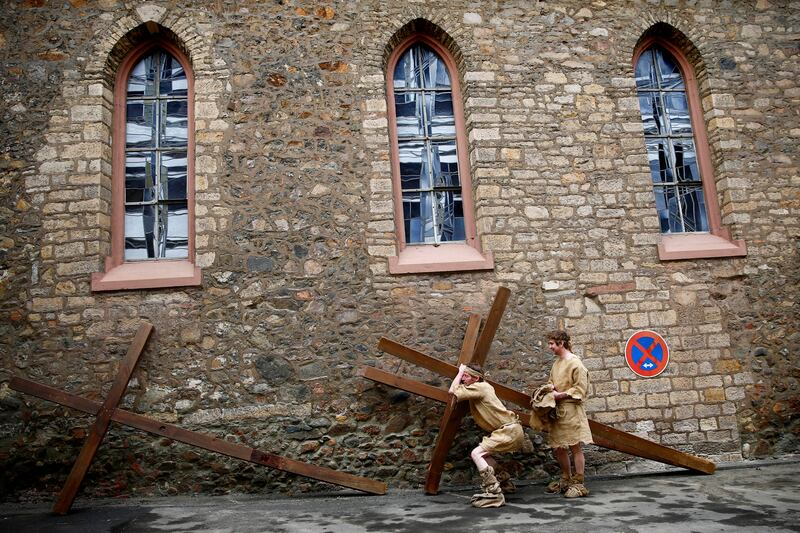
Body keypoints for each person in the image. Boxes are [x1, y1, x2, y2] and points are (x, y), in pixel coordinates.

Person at [449, 363, 525, 508]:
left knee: (476, 454)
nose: (463, 379)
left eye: (466, 376)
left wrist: (459, 372)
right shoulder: (484, 386)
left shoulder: (480, 387)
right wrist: (464, 373)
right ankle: (504, 482)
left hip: (509, 430)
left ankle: (493, 492)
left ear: (476, 378)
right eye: (463, 376)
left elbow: (453, 391)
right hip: (512, 429)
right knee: (485, 456)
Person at [543, 329, 593, 498]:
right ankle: (566, 478)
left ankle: (578, 482)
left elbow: (581, 389)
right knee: (558, 446)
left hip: (571, 409)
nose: (549, 347)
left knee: (574, 446)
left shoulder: (575, 363)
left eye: (551, 343)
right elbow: (552, 381)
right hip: (558, 411)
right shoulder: (557, 363)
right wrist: (549, 389)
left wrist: (561, 394)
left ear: (561, 343)